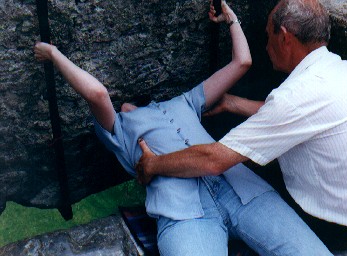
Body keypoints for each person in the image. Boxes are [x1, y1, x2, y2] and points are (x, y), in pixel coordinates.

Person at [34, 1, 331, 255]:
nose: (125, 103)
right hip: (184, 213)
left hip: (244, 192)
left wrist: (231, 17)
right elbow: (97, 94)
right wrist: (54, 54)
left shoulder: (185, 102)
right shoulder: (119, 127)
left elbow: (242, 62)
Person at [136, 0, 347, 251]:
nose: (266, 46)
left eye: (268, 36)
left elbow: (214, 159)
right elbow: (291, 116)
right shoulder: (340, 71)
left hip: (345, 228)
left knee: (243, 179)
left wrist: (152, 165)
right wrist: (232, 103)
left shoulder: (295, 96)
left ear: (285, 37)